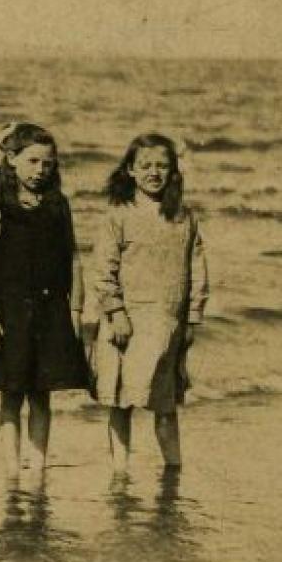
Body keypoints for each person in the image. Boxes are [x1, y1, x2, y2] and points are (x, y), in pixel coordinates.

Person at [0, 122, 90, 476]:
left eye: (47, 163)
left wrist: (75, 309)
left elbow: (74, 259)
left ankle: (39, 464)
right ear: (12, 160)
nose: (40, 170)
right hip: (9, 309)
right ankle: (12, 468)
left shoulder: (57, 203)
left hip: (50, 310)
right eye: (32, 162)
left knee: (42, 394)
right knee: (11, 392)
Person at [91, 133, 208, 473]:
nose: (153, 173)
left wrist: (192, 320)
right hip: (126, 322)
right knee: (120, 399)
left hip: (168, 323)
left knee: (165, 402)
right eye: (145, 166)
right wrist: (116, 312)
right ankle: (120, 469)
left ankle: (173, 468)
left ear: (173, 172)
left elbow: (197, 271)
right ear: (130, 170)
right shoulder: (119, 214)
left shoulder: (185, 218)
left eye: (162, 166)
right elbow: (103, 270)